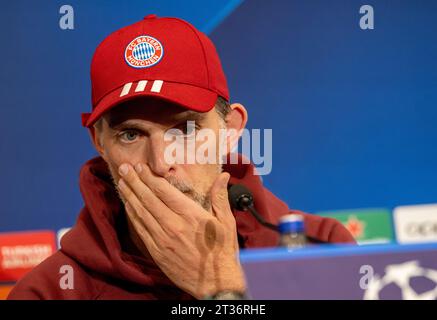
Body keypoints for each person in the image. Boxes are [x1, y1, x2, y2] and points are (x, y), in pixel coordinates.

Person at [8, 15, 354, 300]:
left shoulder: (324, 250)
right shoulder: (51, 292)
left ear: (230, 128)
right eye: (131, 134)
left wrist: (226, 290)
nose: (160, 164)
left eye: (186, 129)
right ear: (100, 142)